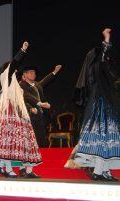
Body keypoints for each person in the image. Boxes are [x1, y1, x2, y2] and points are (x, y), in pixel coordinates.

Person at [69, 28, 120, 181]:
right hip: (100, 108)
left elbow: (107, 63)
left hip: (108, 108)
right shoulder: (96, 72)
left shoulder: (105, 76)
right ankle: (98, 171)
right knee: (101, 137)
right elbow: (103, 57)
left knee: (108, 140)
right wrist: (107, 40)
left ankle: (104, 171)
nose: (106, 59)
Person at [0, 42, 42, 178]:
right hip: (7, 111)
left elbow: (25, 96)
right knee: (9, 139)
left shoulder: (14, 83)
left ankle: (5, 165)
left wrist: (37, 104)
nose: (15, 70)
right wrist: (22, 51)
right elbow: (14, 63)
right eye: (13, 68)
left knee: (14, 139)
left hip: (14, 111)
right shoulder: (5, 77)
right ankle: (6, 167)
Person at [20, 64, 62, 147]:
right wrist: (33, 107)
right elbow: (26, 97)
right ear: (25, 74)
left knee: (41, 137)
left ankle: (42, 156)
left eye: (34, 73)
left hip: (40, 114)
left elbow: (44, 81)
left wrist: (54, 72)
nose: (33, 74)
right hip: (30, 114)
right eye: (31, 72)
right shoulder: (22, 85)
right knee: (32, 138)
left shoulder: (36, 84)